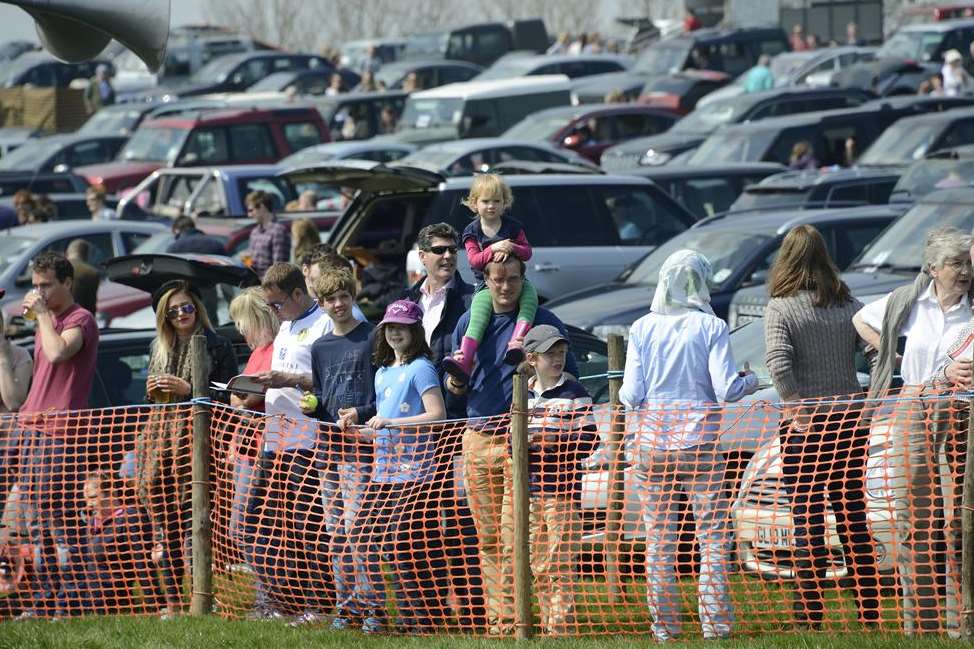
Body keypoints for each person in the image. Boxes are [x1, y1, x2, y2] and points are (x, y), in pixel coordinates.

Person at [619, 249, 758, 642]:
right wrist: (750, 381)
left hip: (651, 445)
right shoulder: (710, 327)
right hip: (698, 443)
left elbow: (630, 393)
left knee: (659, 540)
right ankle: (715, 625)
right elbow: (726, 389)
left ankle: (664, 628)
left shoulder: (642, 327)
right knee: (712, 537)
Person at [445, 255, 579, 635]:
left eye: (513, 279)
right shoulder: (469, 321)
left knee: (516, 539)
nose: (505, 287)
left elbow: (567, 377)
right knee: (487, 539)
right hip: (476, 437)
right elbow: (456, 385)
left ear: (524, 279)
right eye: (498, 280)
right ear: (485, 280)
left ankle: (528, 618)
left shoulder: (544, 321)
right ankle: (500, 622)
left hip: (520, 444)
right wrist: (454, 385)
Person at [853, 226, 972, 636]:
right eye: (955, 264)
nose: (964, 271)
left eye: (967, 263)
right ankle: (920, 625)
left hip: (964, 416)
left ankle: (962, 623)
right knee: (913, 523)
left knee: (958, 522)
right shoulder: (909, 301)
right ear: (933, 268)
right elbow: (860, 319)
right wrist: (894, 355)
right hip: (915, 409)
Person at [763, 225, 879, 628]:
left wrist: (796, 408)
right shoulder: (847, 304)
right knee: (852, 515)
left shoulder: (781, 307)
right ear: (824, 256)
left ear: (786, 258)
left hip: (805, 427)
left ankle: (809, 616)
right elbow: (878, 352)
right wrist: (870, 404)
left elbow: (778, 361)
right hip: (850, 420)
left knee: (807, 519)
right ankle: (869, 612)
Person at [136, 280, 237, 616]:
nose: (181, 314)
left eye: (187, 307)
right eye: (173, 310)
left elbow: (227, 398)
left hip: (197, 444)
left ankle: (201, 599)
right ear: (164, 317)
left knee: (195, 522)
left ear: (198, 307)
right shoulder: (159, 347)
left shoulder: (216, 344)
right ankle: (172, 602)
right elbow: (149, 401)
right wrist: (152, 391)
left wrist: (190, 388)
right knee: (166, 526)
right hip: (161, 442)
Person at [347, 299, 446, 633]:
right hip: (383, 471)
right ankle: (382, 609)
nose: (394, 333)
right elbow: (384, 420)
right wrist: (364, 430)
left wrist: (390, 423)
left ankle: (418, 618)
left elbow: (437, 415)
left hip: (416, 472)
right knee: (361, 534)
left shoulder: (422, 367)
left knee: (402, 543)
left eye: (401, 327)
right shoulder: (383, 372)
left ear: (415, 331)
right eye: (390, 327)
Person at [401, 223, 482, 626]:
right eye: (439, 250)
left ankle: (472, 611)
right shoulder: (406, 301)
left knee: (465, 520)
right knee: (421, 522)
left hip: (458, 423)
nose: (448, 256)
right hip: (416, 430)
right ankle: (430, 611)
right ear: (423, 255)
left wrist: (459, 380)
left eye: (453, 250)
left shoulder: (472, 300)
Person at [249, 262, 333, 621]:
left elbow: (329, 378)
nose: (273, 311)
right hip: (275, 439)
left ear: (299, 293)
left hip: (306, 439)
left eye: (277, 304)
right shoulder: (285, 325)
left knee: (306, 524)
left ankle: (321, 604)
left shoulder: (324, 323)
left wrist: (289, 378)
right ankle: (281, 601)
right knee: (259, 521)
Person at [17, 251, 99, 617]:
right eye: (35, 285)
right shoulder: (46, 320)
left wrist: (44, 317)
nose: (39, 292)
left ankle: (73, 600)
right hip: (32, 428)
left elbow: (56, 353)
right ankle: (46, 599)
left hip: (61, 433)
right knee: (36, 521)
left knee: (59, 519)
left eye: (46, 285)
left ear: (67, 283)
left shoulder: (80, 319)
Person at [297, 267, 377, 630]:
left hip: (360, 447)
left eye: (344, 296)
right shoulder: (320, 347)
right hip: (327, 448)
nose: (339, 303)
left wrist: (361, 412)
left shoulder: (372, 337)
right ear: (322, 304)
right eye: (331, 299)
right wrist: (311, 405)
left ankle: (372, 607)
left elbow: (383, 394)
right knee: (335, 533)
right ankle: (347, 608)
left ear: (353, 296)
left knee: (358, 528)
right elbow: (320, 393)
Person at [520, 325, 598, 634]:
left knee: (560, 559)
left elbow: (591, 441)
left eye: (562, 354)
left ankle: (561, 625)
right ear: (532, 358)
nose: (558, 359)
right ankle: (547, 618)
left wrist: (558, 440)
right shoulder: (522, 392)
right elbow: (513, 440)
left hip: (562, 492)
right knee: (538, 562)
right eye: (551, 354)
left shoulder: (575, 393)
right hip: (530, 492)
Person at [443, 174, 537, 384]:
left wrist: (512, 246)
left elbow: (527, 252)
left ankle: (517, 342)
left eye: (497, 201)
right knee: (477, 315)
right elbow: (475, 261)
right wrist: (494, 247)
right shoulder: (472, 232)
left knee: (530, 300)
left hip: (517, 280)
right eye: (486, 201)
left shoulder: (513, 227)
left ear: (505, 203)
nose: (491, 206)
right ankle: (465, 359)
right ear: (474, 203)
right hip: (486, 286)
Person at [226, 287, 280, 619]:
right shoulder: (256, 350)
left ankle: (270, 597)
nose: (239, 330)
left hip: (263, 446)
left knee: (250, 525)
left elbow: (254, 393)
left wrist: (243, 398)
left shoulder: (274, 350)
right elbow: (238, 395)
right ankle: (266, 595)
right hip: (244, 447)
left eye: (241, 322)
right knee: (240, 526)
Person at [246, 191, 291, 279]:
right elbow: (251, 264)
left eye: (251, 210)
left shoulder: (278, 231)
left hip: (270, 287)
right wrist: (246, 261)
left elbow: (278, 269)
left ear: (262, 207)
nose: (249, 214)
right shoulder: (255, 232)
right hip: (255, 285)